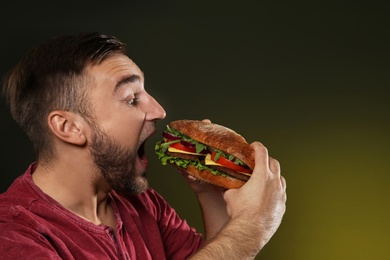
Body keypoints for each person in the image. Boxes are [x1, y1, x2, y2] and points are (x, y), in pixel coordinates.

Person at [0, 32, 287, 259]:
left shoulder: (142, 204)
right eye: (131, 98)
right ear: (69, 128)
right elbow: (233, 249)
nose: (159, 111)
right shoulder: (13, 234)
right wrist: (252, 228)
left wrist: (209, 192)